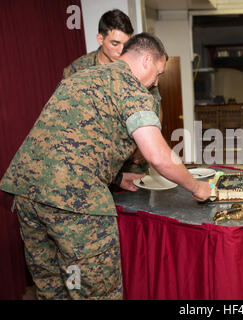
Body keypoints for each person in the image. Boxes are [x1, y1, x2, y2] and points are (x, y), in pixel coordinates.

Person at [0, 33, 211, 300]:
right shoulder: (132, 89)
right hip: (74, 202)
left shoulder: (79, 77)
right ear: (147, 60)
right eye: (158, 73)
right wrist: (196, 187)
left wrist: (117, 176)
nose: (156, 82)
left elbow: (70, 138)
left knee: (52, 287)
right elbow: (157, 156)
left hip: (28, 194)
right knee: (95, 293)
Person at [62, 9, 161, 190]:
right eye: (115, 43)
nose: (121, 50)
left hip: (132, 160)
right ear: (100, 39)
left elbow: (154, 110)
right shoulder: (78, 70)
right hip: (92, 164)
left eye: (126, 43)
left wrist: (143, 148)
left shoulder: (137, 68)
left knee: (138, 214)